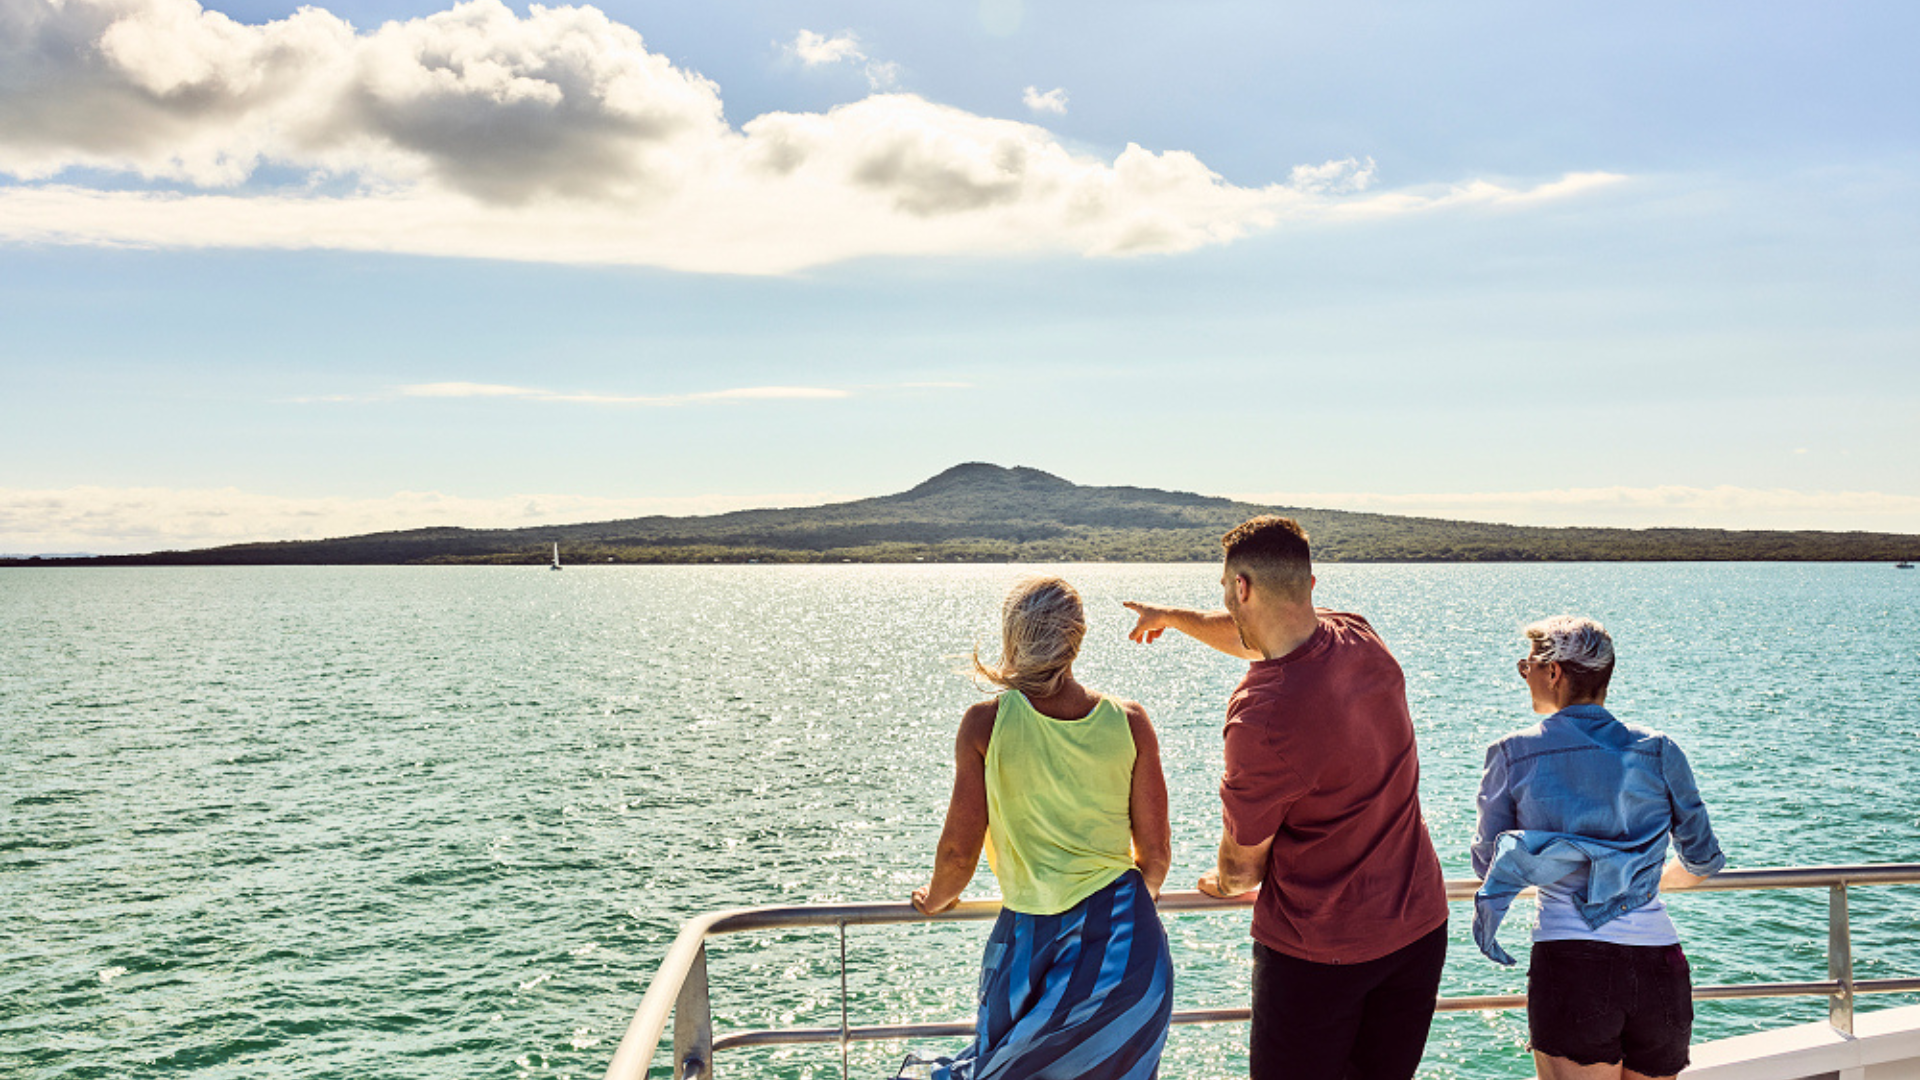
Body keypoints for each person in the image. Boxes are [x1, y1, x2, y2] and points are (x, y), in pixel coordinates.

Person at [1123, 515, 1449, 1080]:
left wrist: (1222, 884)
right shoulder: (1360, 637)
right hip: (1418, 929)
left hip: (1319, 954)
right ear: (1309, 584)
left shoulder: (1262, 717)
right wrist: (1172, 618)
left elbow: (1244, 866)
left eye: (1227, 591)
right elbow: (1263, 636)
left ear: (1240, 588)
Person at [911, 576, 1174, 1080]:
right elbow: (1155, 858)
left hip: (1030, 946)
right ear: (1076, 639)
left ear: (1013, 640)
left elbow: (957, 858)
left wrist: (934, 898)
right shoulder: (1131, 722)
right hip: (1128, 952)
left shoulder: (985, 724)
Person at [1472, 615, 1725, 1080]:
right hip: (1661, 965)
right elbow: (1703, 859)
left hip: (1572, 964)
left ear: (1554, 673)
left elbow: (1491, 863)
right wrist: (1639, 881)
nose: (1523, 675)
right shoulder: (1659, 749)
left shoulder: (1512, 753)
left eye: (1525, 665)